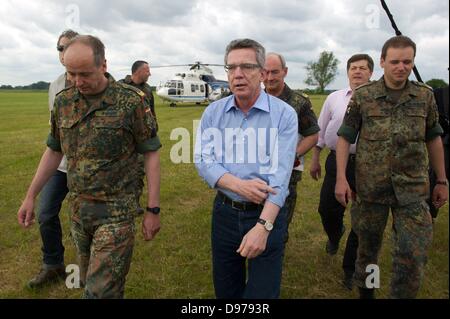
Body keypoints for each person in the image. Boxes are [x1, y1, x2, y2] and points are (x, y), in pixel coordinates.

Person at [17, 35, 162, 298]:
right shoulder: (63, 102)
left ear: (103, 65)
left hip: (117, 213)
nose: (77, 81)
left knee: (98, 292)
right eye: (71, 73)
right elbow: (53, 149)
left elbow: (151, 154)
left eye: (84, 74)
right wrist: (30, 196)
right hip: (79, 213)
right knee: (90, 281)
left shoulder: (132, 102)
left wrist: (153, 208)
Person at [335, 35, 448, 299]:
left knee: (413, 252)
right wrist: (341, 178)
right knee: (369, 250)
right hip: (371, 189)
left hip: (413, 188)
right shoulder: (365, 96)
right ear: (383, 62)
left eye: (407, 62)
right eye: (395, 61)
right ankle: (368, 294)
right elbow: (345, 138)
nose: (401, 67)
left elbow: (434, 137)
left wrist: (441, 180)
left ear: (413, 63)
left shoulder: (424, 95)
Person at [195, 38, 298, 299]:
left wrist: (263, 226)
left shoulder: (284, 115)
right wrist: (238, 185)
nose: (238, 74)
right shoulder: (213, 113)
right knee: (226, 291)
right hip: (225, 213)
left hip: (266, 213)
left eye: (246, 67)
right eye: (231, 68)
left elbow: (281, 174)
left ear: (262, 73)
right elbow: (203, 159)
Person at [309, 54, 374, 290]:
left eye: (363, 68)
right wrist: (315, 157)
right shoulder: (334, 98)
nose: (357, 72)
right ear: (347, 72)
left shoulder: (378, 100)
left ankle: (350, 270)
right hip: (336, 161)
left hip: (368, 165)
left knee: (363, 220)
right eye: (353, 68)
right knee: (327, 209)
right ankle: (335, 236)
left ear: (371, 73)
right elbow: (321, 129)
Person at [27, 29, 79, 289]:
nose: (63, 52)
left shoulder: (97, 80)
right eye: (60, 48)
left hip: (89, 169)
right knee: (45, 213)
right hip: (60, 166)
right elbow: (55, 134)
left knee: (85, 221)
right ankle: (53, 264)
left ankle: (92, 270)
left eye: (68, 47)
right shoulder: (55, 85)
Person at [263, 52, 319, 243]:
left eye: (275, 72)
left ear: (285, 72)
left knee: (279, 223)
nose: (269, 78)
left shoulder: (299, 102)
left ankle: (275, 256)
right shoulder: (253, 98)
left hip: (287, 174)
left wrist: (291, 155)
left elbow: (312, 135)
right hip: (255, 172)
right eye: (265, 72)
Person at [120, 60, 159, 215]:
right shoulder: (121, 86)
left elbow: (152, 112)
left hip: (142, 137)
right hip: (124, 137)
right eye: (147, 70)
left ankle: (134, 204)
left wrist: (154, 129)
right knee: (122, 171)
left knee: (138, 172)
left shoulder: (148, 90)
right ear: (138, 71)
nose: (149, 73)